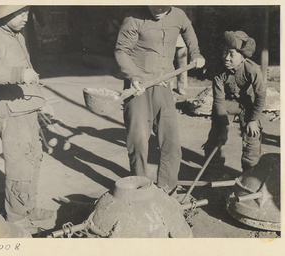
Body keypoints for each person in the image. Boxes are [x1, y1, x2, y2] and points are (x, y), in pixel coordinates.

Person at [114, 6, 205, 195]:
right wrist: (134, 76)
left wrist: (195, 53)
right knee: (138, 142)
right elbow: (121, 50)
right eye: (153, 5)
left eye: (162, 6)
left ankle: (167, 188)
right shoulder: (133, 18)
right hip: (138, 89)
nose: (157, 9)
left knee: (171, 141)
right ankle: (140, 189)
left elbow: (189, 32)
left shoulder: (179, 15)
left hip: (163, 86)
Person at [0, 5, 54, 226]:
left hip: (26, 108)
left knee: (33, 158)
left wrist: (41, 102)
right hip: (10, 111)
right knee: (19, 164)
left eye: (27, 12)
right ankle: (17, 220)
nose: (26, 17)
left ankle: (28, 209)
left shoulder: (16, 35)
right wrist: (18, 73)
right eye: (20, 13)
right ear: (4, 13)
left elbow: (28, 74)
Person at [203, 31, 266, 180]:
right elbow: (219, 101)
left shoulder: (253, 70)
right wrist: (224, 126)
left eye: (232, 54)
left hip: (248, 105)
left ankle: (249, 177)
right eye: (225, 52)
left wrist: (253, 120)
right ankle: (214, 175)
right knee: (216, 137)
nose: (226, 57)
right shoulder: (219, 72)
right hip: (227, 103)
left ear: (243, 57)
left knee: (253, 136)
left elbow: (260, 96)